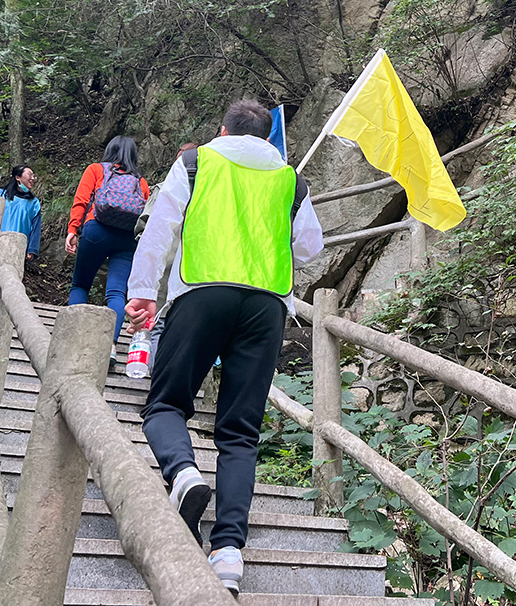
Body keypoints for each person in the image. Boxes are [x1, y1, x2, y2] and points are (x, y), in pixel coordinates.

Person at [125, 99, 323, 592]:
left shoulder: (197, 161)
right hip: (266, 306)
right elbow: (310, 247)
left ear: (222, 129)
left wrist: (142, 294)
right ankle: (229, 552)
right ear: (268, 135)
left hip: (201, 292)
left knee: (166, 404)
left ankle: (184, 472)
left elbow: (161, 226)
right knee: (240, 433)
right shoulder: (290, 180)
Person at [66, 136, 151, 369]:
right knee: (116, 293)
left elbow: (81, 200)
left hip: (96, 230)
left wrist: (73, 229)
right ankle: (109, 346)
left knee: (80, 285)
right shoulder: (140, 182)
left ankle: (73, 340)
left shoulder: (95, 169)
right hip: (126, 237)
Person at [133, 141, 200, 374]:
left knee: (157, 321)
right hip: (194, 266)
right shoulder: (210, 188)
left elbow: (147, 224)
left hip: (164, 261)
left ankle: (153, 371)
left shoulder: (164, 187)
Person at [0, 165, 41, 263]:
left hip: (19, 247)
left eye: (34, 176)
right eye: (30, 175)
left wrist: (32, 249)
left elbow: (36, 228)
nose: (33, 178)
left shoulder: (34, 203)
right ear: (17, 177)